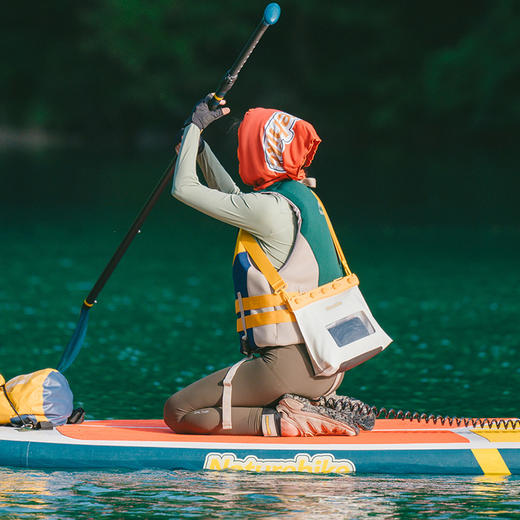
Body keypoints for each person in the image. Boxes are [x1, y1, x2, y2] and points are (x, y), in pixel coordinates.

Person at [163, 95, 375, 437]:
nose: (239, 153)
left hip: (288, 367)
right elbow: (234, 198)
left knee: (180, 410)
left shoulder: (270, 209)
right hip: (329, 364)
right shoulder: (299, 198)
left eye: (243, 146)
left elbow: (183, 189)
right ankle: (305, 405)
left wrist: (193, 128)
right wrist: (198, 148)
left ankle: (285, 421)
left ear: (259, 151)